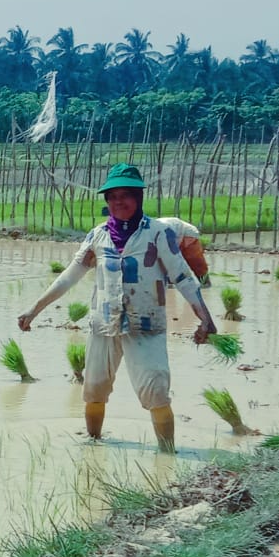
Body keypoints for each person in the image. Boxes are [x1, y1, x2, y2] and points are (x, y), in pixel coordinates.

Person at [17, 164, 217, 451]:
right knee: (94, 389)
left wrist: (205, 318)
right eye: (112, 196)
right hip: (104, 325)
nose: (118, 201)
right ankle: (94, 446)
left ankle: (167, 455)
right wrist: (33, 310)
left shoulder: (159, 234)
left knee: (156, 390)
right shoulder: (98, 236)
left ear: (138, 198)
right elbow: (69, 276)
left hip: (145, 325)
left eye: (126, 195)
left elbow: (183, 277)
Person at [154, 216, 211, 286]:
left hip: (187, 233)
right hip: (173, 235)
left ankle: (204, 282)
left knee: (194, 260)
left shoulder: (159, 230)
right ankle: (168, 283)